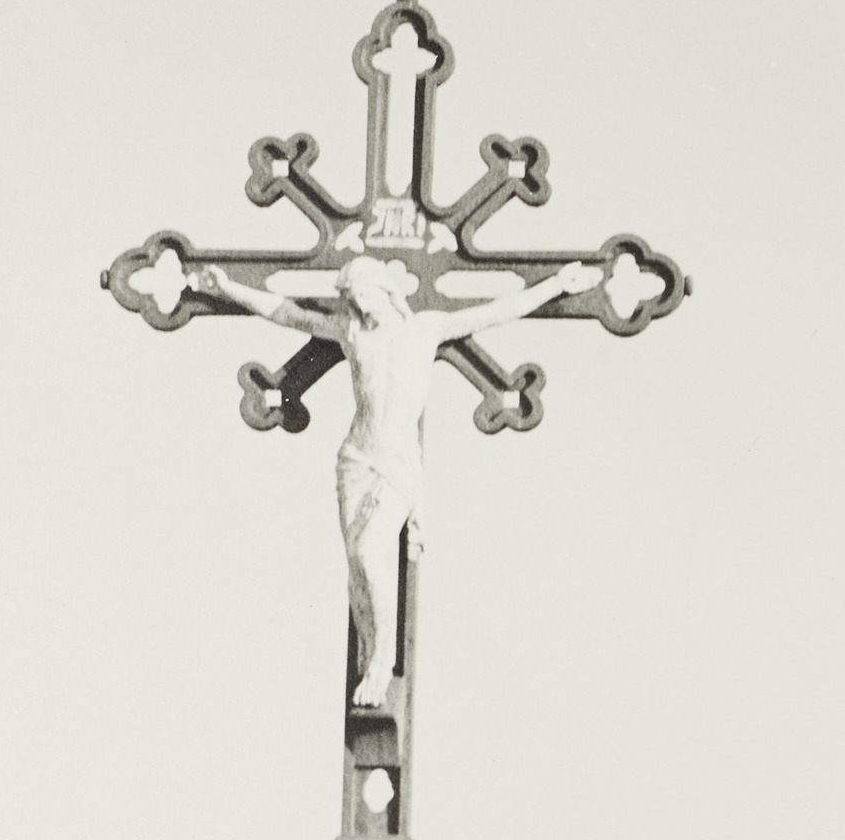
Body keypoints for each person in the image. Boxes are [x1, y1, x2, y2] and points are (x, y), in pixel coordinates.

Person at [195, 254, 598, 705]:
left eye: (363, 293)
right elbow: (287, 313)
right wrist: (227, 287)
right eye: (352, 297)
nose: (359, 304)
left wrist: (556, 285)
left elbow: (495, 312)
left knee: (370, 553)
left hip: (397, 462)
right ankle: (370, 648)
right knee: (356, 568)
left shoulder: (426, 328)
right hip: (356, 458)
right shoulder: (351, 333)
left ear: (385, 289)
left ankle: (381, 661)